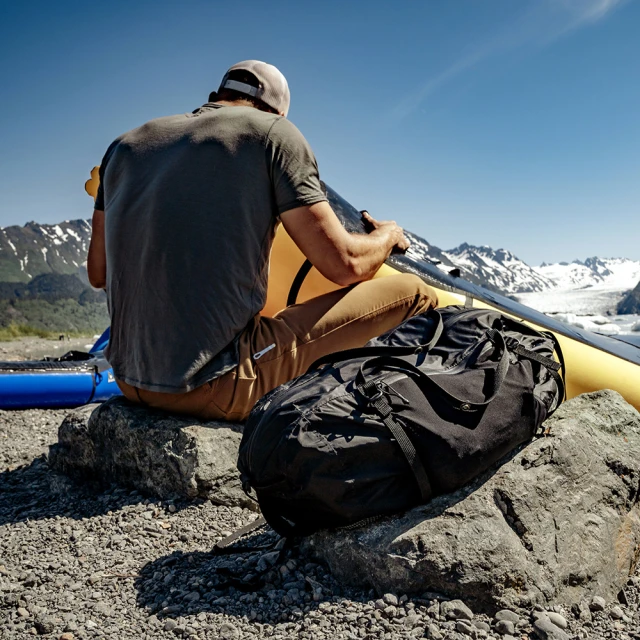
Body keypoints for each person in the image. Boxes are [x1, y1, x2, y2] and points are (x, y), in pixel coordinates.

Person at [87, 60, 438, 422]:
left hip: (129, 381)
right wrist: (387, 236)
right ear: (278, 112)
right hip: (217, 384)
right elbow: (345, 265)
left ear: (216, 98)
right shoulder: (274, 134)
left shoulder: (124, 147)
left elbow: (98, 273)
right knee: (415, 293)